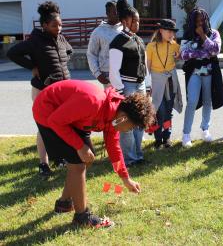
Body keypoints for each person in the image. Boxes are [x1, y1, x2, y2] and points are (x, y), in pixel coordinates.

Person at [32, 79, 155, 228]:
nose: (128, 131)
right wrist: (80, 146)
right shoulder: (93, 102)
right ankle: (82, 217)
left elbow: (114, 149)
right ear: (124, 118)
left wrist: (126, 179)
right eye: (131, 127)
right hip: (47, 112)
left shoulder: (114, 117)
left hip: (71, 118)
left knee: (85, 160)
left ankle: (64, 203)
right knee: (79, 164)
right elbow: (55, 121)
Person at [7, 1, 72, 178]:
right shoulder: (35, 40)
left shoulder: (60, 38)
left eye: (60, 24)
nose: (58, 28)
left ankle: (58, 158)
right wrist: (32, 66)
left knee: (60, 125)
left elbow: (68, 51)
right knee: (44, 127)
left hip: (62, 91)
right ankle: (43, 163)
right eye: (54, 25)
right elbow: (12, 53)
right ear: (44, 25)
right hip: (43, 90)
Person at [109, 0, 149, 166]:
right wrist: (119, 91)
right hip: (126, 86)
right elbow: (113, 71)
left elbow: (144, 65)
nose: (138, 24)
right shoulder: (118, 42)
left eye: (139, 21)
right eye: (135, 20)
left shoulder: (138, 40)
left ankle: (138, 154)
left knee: (141, 120)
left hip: (139, 84)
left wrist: (148, 86)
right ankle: (130, 158)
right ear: (125, 21)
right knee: (127, 123)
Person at [180, 8, 223, 147]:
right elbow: (183, 54)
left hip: (210, 73)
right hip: (194, 72)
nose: (200, 23)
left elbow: (215, 50)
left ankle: (205, 129)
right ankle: (186, 134)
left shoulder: (213, 33)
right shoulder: (188, 35)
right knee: (192, 101)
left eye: (202, 20)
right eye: (197, 21)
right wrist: (202, 52)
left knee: (207, 101)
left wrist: (203, 37)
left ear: (206, 20)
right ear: (193, 22)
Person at [146, 19, 183, 149]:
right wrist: (147, 85)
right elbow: (147, 67)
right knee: (158, 110)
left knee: (168, 110)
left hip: (171, 80)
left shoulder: (174, 45)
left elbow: (181, 55)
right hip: (156, 81)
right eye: (168, 31)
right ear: (161, 31)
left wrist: (179, 55)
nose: (171, 34)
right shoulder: (150, 46)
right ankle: (157, 138)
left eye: (172, 31)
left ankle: (166, 138)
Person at [87, 0, 122, 87]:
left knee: (126, 101)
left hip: (125, 73)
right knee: (111, 100)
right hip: (107, 75)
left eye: (119, 12)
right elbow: (91, 54)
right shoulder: (98, 32)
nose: (117, 14)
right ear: (107, 13)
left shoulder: (125, 29)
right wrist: (97, 73)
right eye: (114, 12)